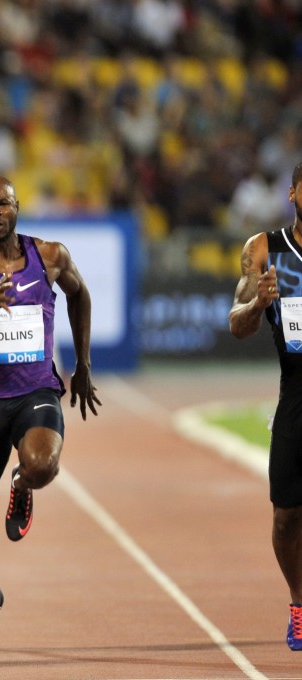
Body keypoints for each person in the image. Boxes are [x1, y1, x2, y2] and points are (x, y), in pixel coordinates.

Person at [0, 174, 100, 650]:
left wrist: (84, 364)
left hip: (38, 392)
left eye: (3, 204)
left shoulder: (49, 256)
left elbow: (81, 295)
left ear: (16, 207)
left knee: (42, 465)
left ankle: (22, 482)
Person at [229, 161, 302, 651]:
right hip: (297, 394)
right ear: (294, 192)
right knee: (285, 518)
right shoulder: (264, 250)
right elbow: (237, 323)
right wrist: (259, 303)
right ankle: (299, 603)